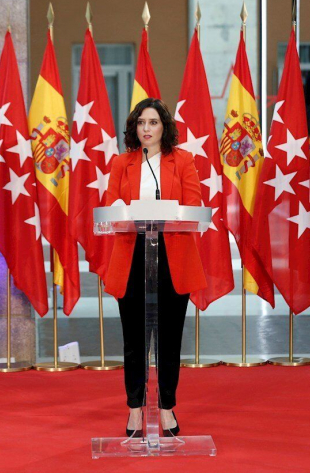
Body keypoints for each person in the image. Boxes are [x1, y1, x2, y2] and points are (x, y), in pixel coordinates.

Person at [104, 98, 207, 437]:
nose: (146, 129)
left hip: (172, 256)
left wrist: (167, 212)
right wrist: (123, 209)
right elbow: (110, 206)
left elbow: (194, 206)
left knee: (169, 340)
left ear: (164, 127)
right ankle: (135, 409)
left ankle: (166, 407)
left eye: (153, 122)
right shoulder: (122, 163)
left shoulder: (183, 160)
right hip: (132, 256)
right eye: (141, 123)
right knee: (133, 341)